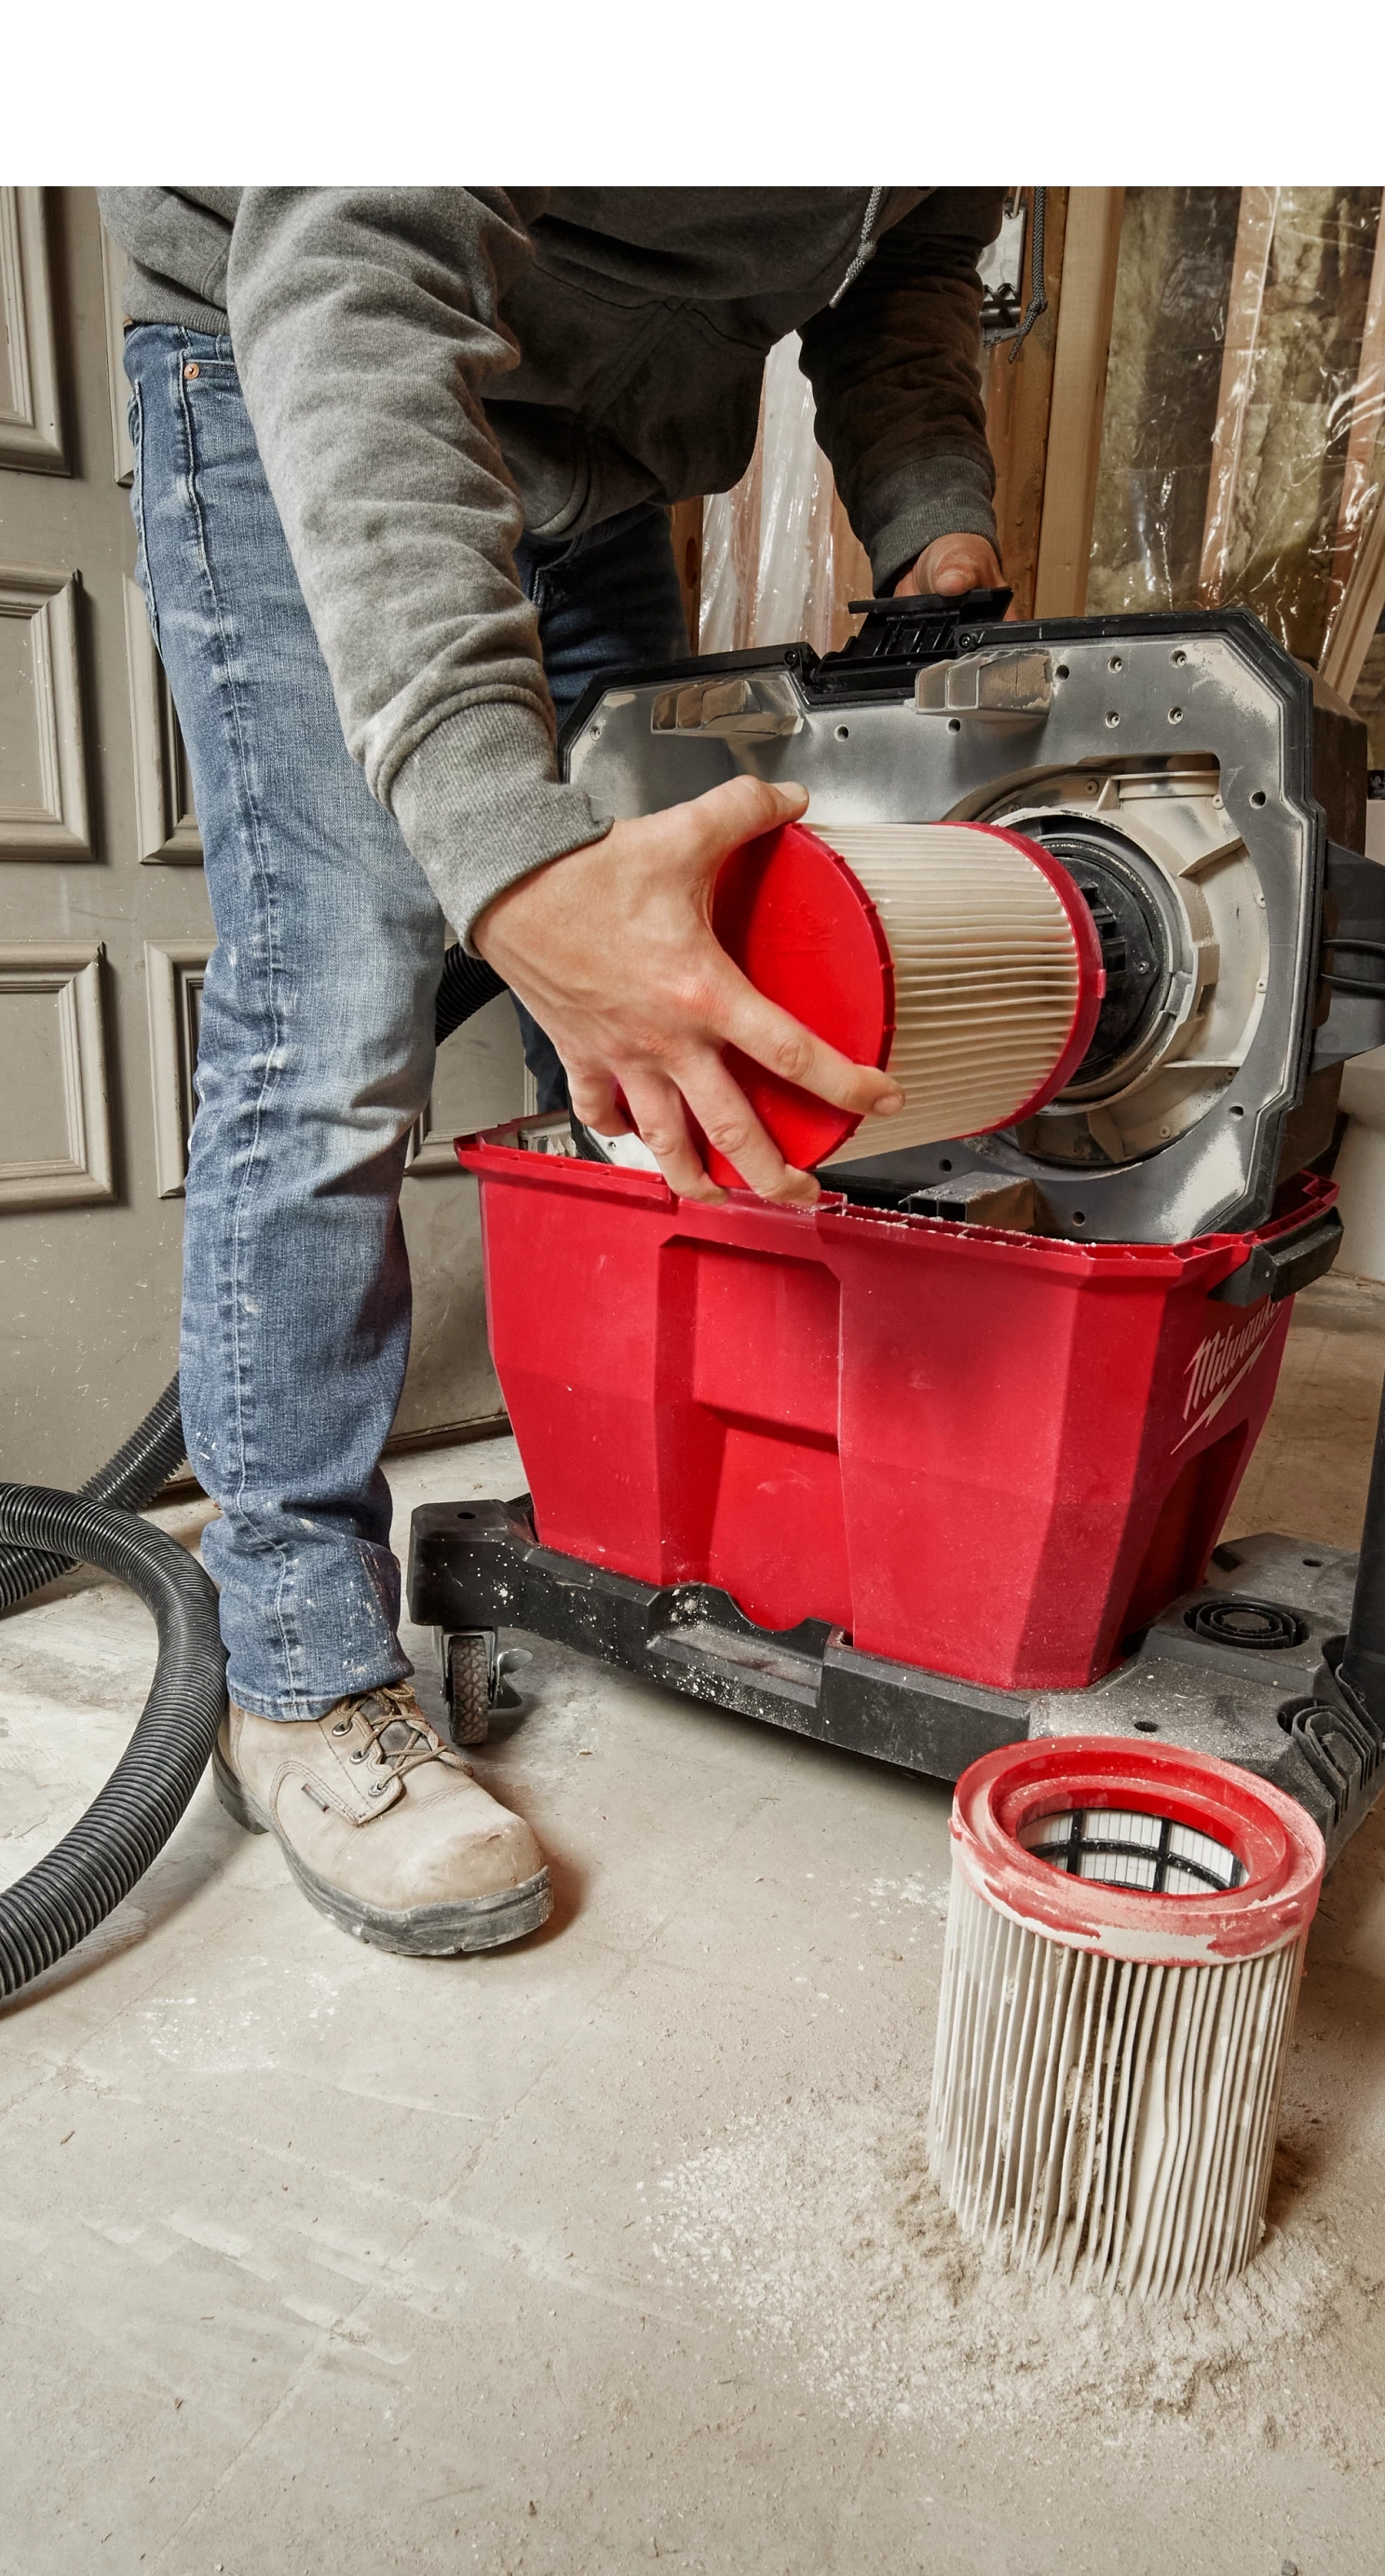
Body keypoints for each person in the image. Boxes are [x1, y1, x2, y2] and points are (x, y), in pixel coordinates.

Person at [105, 184, 1011, 1958]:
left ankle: (633, 1496)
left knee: (656, 970)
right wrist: (503, 867)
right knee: (342, 993)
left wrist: (936, 530)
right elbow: (352, 254)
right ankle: (294, 1671)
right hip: (305, 357)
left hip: (599, 453)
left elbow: (905, 263)